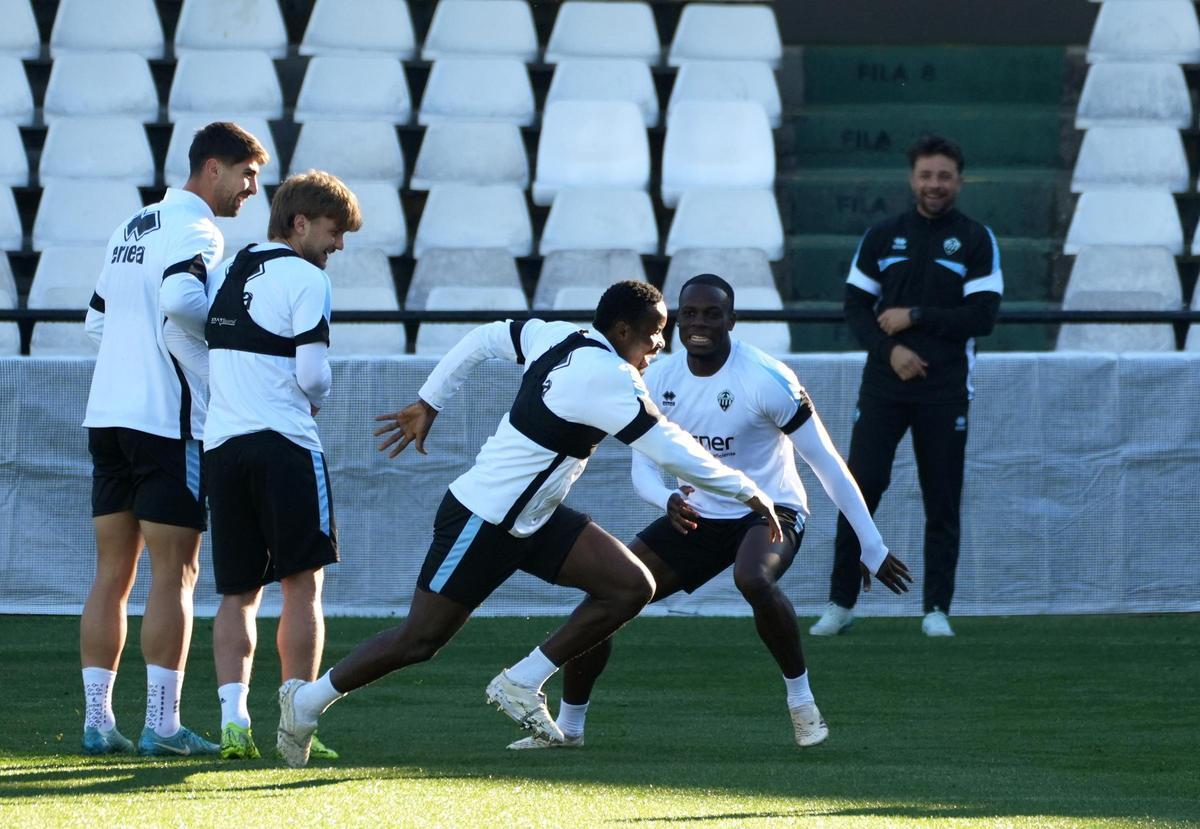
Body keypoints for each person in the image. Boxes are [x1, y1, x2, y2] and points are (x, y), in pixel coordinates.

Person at [274, 280, 785, 768]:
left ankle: (522, 680)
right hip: (483, 518)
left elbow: (484, 337)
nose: (660, 344)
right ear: (623, 330)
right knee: (419, 640)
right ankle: (307, 701)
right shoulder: (610, 376)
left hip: (533, 519)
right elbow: (670, 447)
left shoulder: (557, 333)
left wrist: (431, 400)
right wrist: (747, 490)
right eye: (655, 332)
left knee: (631, 585)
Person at [505, 274, 912, 752]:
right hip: (696, 515)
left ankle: (802, 705)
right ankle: (569, 730)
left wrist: (871, 543)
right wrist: (665, 499)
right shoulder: (656, 378)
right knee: (608, 594)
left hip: (770, 510)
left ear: (731, 320)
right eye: (690, 314)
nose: (699, 324)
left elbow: (826, 464)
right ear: (677, 321)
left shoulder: (768, 378)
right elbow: (643, 469)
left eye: (712, 314)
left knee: (753, 578)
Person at [79, 122, 268, 756]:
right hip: (165, 421)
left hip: (107, 414)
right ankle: (162, 726)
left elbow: (95, 322)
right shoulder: (199, 229)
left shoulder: (131, 226)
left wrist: (135, 353)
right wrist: (229, 343)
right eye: (246, 175)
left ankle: (99, 722)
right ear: (213, 167)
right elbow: (183, 299)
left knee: (112, 573)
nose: (251, 190)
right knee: (175, 573)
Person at [810, 134, 1003, 639]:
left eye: (944, 176)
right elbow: (855, 307)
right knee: (859, 490)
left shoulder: (976, 238)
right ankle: (841, 603)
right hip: (884, 386)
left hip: (945, 389)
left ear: (959, 181)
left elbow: (983, 316)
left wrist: (916, 316)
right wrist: (890, 350)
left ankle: (936, 608)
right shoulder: (882, 235)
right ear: (912, 179)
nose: (934, 184)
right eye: (926, 175)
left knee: (941, 497)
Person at [201, 171, 362, 760]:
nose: (337, 245)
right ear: (299, 223)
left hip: (222, 446)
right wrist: (318, 394)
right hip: (285, 445)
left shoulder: (228, 270)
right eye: (333, 231)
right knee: (303, 586)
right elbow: (312, 376)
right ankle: (298, 723)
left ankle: (233, 723)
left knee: (237, 593)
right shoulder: (307, 278)